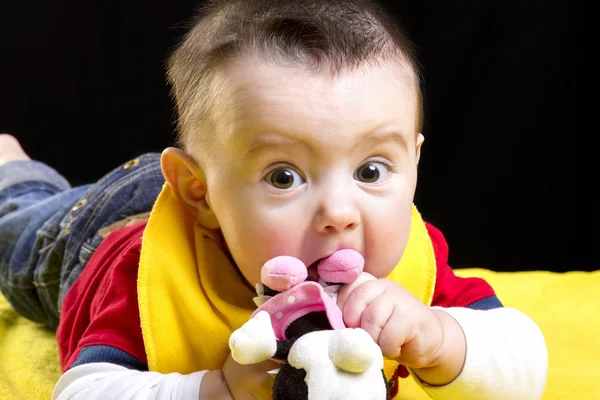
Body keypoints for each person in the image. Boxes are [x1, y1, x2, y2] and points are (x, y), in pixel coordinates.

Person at [0, 0, 548, 399]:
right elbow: (84, 392)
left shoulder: (411, 262)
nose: (339, 213)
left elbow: (526, 362)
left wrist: (440, 339)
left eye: (371, 170)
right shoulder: (143, 278)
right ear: (201, 191)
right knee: (21, 222)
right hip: (100, 233)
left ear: (415, 164)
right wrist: (216, 389)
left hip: (204, 185)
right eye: (284, 177)